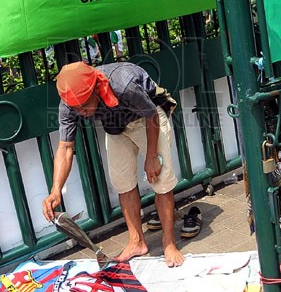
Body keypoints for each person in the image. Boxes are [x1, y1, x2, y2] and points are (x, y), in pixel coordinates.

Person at [42, 61, 184, 267]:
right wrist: (55, 190)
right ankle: (137, 242)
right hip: (116, 128)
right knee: (122, 182)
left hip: (147, 120)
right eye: (76, 108)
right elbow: (65, 148)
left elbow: (151, 114)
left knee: (160, 179)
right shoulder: (69, 103)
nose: (81, 111)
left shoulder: (123, 84)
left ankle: (168, 243)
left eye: (84, 104)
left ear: (96, 88)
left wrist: (152, 155)